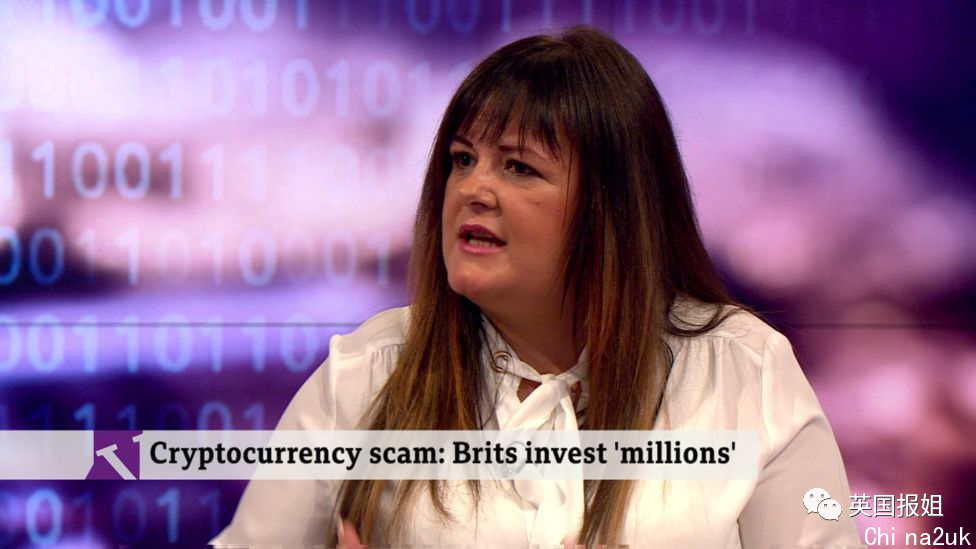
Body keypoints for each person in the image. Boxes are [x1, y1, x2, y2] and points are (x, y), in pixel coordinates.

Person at [212, 26, 862, 548]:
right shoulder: (369, 372)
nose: (472, 189)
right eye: (462, 159)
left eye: (519, 167)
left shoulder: (746, 370)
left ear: (613, 207)